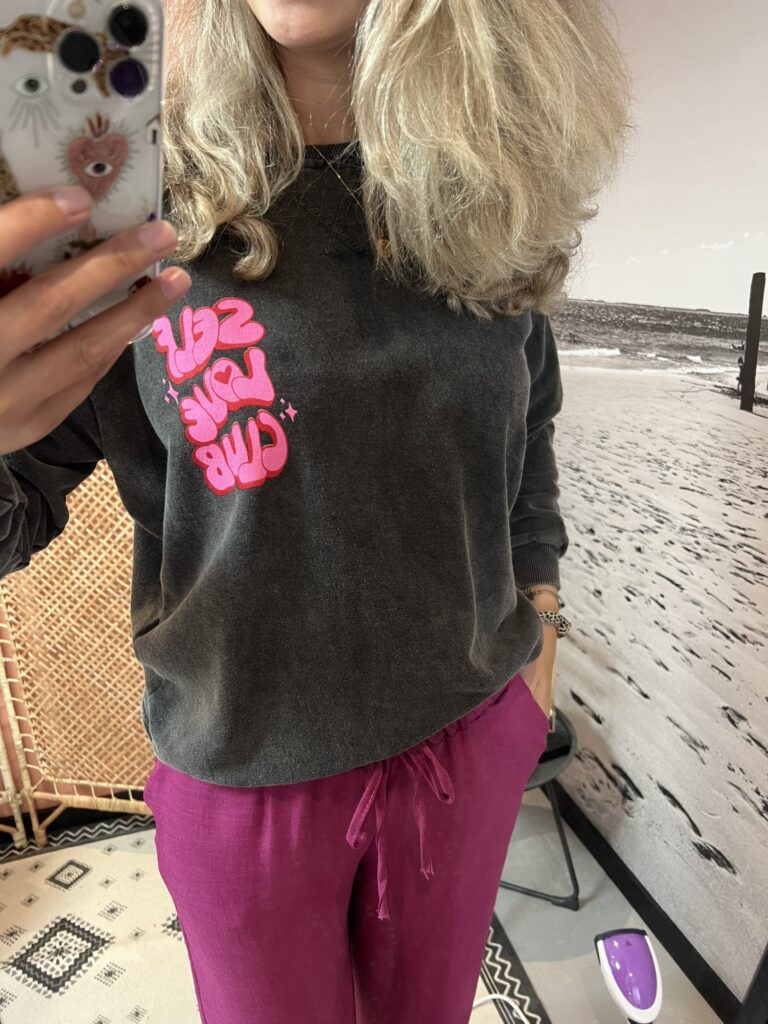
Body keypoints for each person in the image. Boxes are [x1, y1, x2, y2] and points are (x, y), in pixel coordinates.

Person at [0, 1, 632, 1021]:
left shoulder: (485, 191)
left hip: (471, 739)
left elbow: (531, 422)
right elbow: (16, 506)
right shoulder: (132, 217)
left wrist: (541, 613)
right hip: (247, 779)